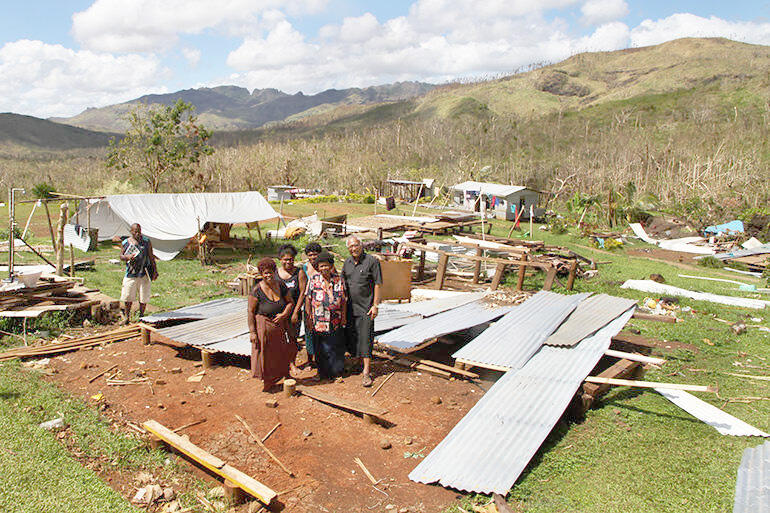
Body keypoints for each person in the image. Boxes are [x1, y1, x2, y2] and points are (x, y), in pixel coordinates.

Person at [248, 257, 297, 392]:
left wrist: (284, 314)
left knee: (282, 351)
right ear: (261, 274)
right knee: (266, 355)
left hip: (279, 326)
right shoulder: (256, 290)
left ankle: (285, 375)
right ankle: (269, 382)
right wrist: (252, 332)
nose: (268, 275)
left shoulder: (280, 285)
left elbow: (290, 302)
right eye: (265, 273)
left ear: (275, 272)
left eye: (270, 272)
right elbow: (250, 312)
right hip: (263, 326)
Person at [342, 235, 382, 387]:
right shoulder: (347, 263)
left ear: (361, 245)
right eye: (350, 247)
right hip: (351, 308)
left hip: (366, 308)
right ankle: (356, 363)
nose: (353, 249)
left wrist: (375, 305)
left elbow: (378, 284)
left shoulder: (372, 261)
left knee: (366, 338)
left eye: (356, 245)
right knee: (353, 336)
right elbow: (343, 284)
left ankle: (366, 371)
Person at [305, 252, 347, 380]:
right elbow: (307, 299)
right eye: (321, 266)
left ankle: (336, 372)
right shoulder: (313, 280)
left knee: (335, 346)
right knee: (320, 348)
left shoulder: (338, 280)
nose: (324, 268)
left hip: (335, 320)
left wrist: (344, 317)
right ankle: (321, 372)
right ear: (318, 267)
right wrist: (309, 318)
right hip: (319, 320)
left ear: (331, 266)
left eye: (326, 265)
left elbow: (344, 300)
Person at [119, 223, 157, 325]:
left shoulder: (146, 242)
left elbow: (151, 256)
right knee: (128, 296)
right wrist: (128, 257)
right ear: (131, 232)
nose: (137, 234)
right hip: (131, 273)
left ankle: (141, 315)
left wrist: (154, 270)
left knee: (143, 296)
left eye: (139, 231)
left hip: (143, 273)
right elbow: (121, 256)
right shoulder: (126, 242)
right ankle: (127, 317)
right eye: (135, 231)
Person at [293, 242, 323, 365]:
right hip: (308, 303)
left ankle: (321, 358)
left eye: (315, 254)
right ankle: (310, 359)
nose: (313, 257)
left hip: (323, 303)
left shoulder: (325, 265)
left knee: (322, 330)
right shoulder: (304, 268)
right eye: (310, 255)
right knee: (309, 330)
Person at [277, 244, 304, 374]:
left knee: (293, 339)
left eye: (290, 259)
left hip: (294, 313)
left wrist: (295, 312)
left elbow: (302, 293)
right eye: (285, 259)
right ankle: (282, 364)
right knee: (280, 339)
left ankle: (292, 363)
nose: (288, 262)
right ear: (280, 259)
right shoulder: (276, 273)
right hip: (278, 313)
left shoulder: (299, 273)